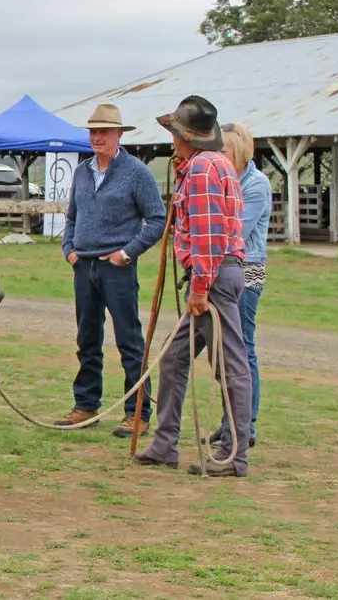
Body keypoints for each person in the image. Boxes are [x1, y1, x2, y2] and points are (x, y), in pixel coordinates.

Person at [133, 95, 252, 477]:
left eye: (174, 133)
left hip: (212, 277)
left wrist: (199, 287)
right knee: (174, 358)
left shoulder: (201, 170)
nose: (172, 139)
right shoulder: (212, 164)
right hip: (217, 274)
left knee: (230, 365)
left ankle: (235, 456)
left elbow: (208, 236)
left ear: (185, 137)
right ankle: (164, 444)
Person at [57, 103, 167, 438]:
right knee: (87, 339)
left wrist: (127, 253)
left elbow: (157, 219)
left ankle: (137, 412)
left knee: (129, 341)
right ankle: (86, 405)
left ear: (119, 134)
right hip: (84, 265)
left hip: (117, 268)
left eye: (104, 131)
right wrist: (69, 250)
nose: (97, 137)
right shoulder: (82, 171)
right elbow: (72, 216)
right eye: (93, 131)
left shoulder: (136, 172)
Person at [209, 121, 269, 448]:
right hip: (224, 268)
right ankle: (230, 420)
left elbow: (236, 231)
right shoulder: (224, 180)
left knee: (243, 346)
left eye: (224, 149)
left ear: (241, 150)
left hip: (246, 270)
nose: (219, 155)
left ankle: (246, 425)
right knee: (224, 350)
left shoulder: (256, 184)